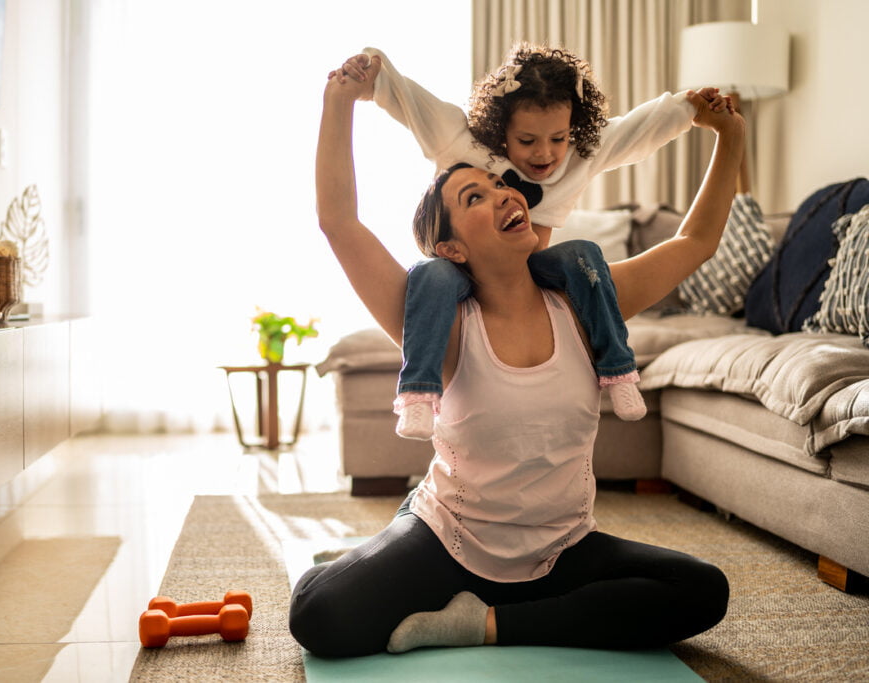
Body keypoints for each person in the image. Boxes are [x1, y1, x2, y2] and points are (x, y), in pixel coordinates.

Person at [290, 54, 744, 658]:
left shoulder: (588, 305)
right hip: (448, 540)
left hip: (562, 548)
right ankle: (391, 546)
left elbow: (696, 241)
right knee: (318, 614)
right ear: (450, 245)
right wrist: (340, 101)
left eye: (502, 185)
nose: (508, 192)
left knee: (701, 591)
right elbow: (339, 221)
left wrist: (730, 135)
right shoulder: (439, 323)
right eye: (476, 195)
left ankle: (484, 624)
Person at [329, 45, 729, 439]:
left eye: (558, 138)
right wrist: (368, 84)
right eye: (527, 141)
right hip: (459, 275)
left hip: (538, 274)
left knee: (581, 253)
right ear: (499, 131)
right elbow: (413, 108)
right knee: (431, 275)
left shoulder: (580, 163)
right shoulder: (461, 146)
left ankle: (618, 370)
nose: (545, 154)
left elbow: (639, 132)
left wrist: (689, 109)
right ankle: (418, 391)